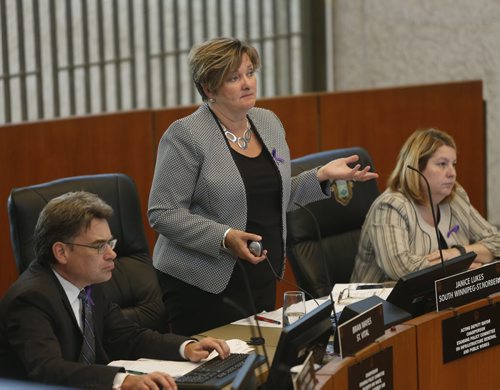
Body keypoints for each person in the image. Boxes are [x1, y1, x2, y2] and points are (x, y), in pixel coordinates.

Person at [148, 37, 378, 336]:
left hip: (259, 269)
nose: (247, 83)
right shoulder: (186, 135)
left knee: (260, 366)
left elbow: (274, 195)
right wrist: (225, 236)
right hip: (203, 281)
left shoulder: (268, 123)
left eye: (250, 72)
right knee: (220, 371)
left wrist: (321, 175)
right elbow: (162, 212)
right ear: (208, 87)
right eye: (234, 77)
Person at [0, 191, 230, 389]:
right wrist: (122, 380)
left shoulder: (89, 284)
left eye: (110, 243)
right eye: (99, 246)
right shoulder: (31, 299)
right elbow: (47, 370)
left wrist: (186, 347)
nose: (112, 254)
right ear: (61, 252)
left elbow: (126, 336)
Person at [350, 128, 500, 283]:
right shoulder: (390, 206)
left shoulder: (455, 197)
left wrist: (458, 253)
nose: (452, 173)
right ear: (416, 167)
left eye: (453, 164)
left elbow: (496, 242)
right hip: (377, 303)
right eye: (442, 164)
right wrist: (462, 265)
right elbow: (401, 270)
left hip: (438, 298)